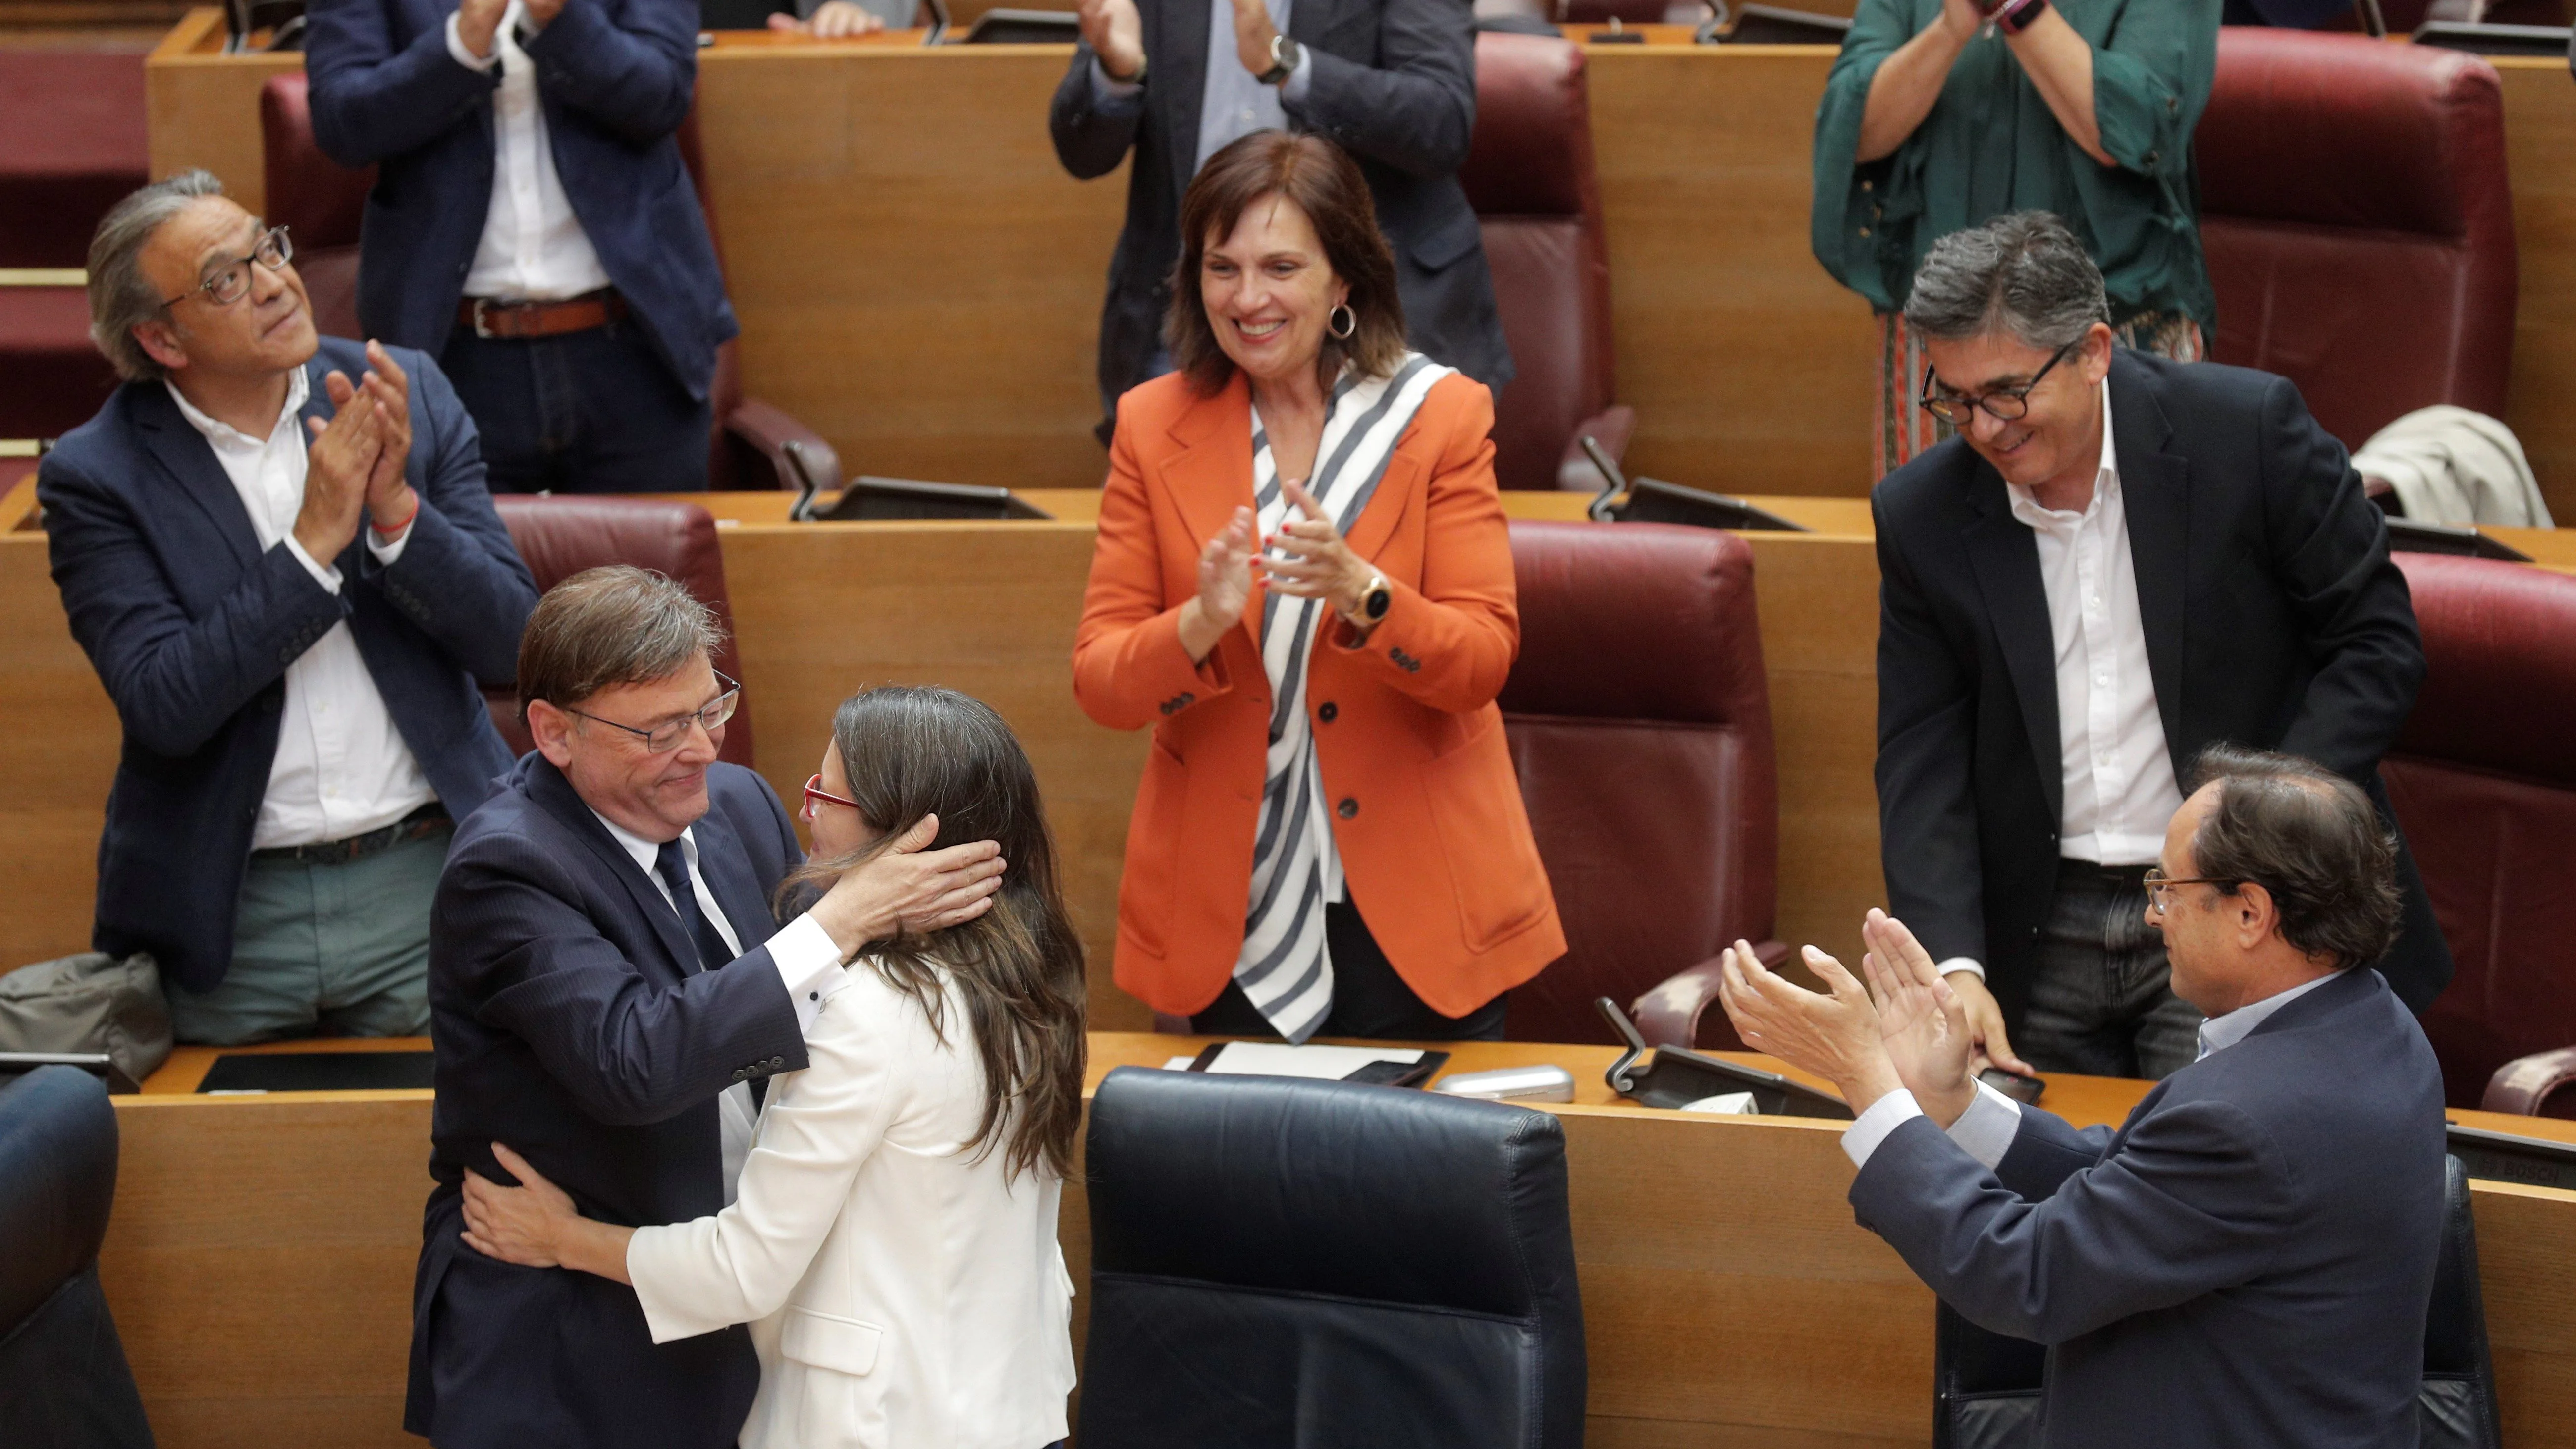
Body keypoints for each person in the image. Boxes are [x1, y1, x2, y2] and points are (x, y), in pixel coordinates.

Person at [406, 570, 1010, 1449]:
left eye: (708, 709)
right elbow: (635, 1061)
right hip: (566, 1329)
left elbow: (807, 998)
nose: (699, 748)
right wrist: (844, 915)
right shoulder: (507, 866)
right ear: (554, 732)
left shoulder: (738, 804)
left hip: (727, 1297)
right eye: (660, 730)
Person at [1715, 745, 2448, 1449]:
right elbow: (2137, 1184)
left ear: (2251, 913)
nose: (2152, 916)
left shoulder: (2248, 1116)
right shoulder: (2377, 1028)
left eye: (2167, 889)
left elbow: (2027, 1273)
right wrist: (1950, 1102)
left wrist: (1867, 1081)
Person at [1871, 212, 2449, 1082]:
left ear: (2095, 349)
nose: (1982, 427)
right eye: (1953, 399)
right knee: (2027, 1190)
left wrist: (2261, 834)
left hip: (2237, 905)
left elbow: (2376, 643)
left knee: (2211, 1187)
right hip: (2041, 923)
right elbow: (1923, 752)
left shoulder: (2246, 434)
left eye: (2005, 393)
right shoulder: (1923, 515)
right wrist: (1956, 967)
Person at [1073, 132, 1562, 1044]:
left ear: (1344, 282)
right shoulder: (1151, 425)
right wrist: (1198, 622)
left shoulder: (1440, 417)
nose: (1247, 298)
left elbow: (1481, 661)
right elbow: (1101, 681)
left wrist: (1366, 595)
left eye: (1280, 267)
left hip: (1415, 902)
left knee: (1422, 1182)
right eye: (1223, 267)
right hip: (1230, 904)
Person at [38, 171, 536, 1046]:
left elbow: (513, 644)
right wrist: (311, 547)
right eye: (226, 279)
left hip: (428, 878)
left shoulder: (400, 390)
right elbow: (166, 705)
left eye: (267, 248)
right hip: (232, 915)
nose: (274, 282)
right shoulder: (97, 475)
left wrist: (394, 516)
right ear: (161, 338)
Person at [303, 0, 735, 492]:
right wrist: (461, 45)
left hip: (633, 347)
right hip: (455, 353)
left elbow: (662, 94)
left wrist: (558, 19)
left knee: (650, 569)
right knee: (463, 567)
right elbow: (343, 122)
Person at [1049, 0, 1512, 433]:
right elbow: (1081, 153)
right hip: (1193, 322)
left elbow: (1441, 120)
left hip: (1371, 320)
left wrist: (1287, 65)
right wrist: (1119, 74)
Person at [1813, 0, 2220, 477]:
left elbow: (2140, 127)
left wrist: (2018, 12)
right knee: (1942, 539)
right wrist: (1950, 28)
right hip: (1944, 341)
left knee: (2137, 536)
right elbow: (1853, 131)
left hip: (2110, 319)